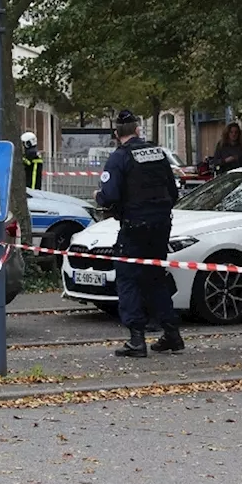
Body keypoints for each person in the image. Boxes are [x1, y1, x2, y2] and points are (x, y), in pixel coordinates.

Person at [95, 108, 183, 358]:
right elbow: (173, 191)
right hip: (161, 225)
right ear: (137, 130)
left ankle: (136, 339)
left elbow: (109, 196)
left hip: (134, 227)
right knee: (155, 276)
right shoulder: (158, 153)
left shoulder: (118, 158)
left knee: (128, 278)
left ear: (116, 133)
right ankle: (171, 334)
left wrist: (99, 197)